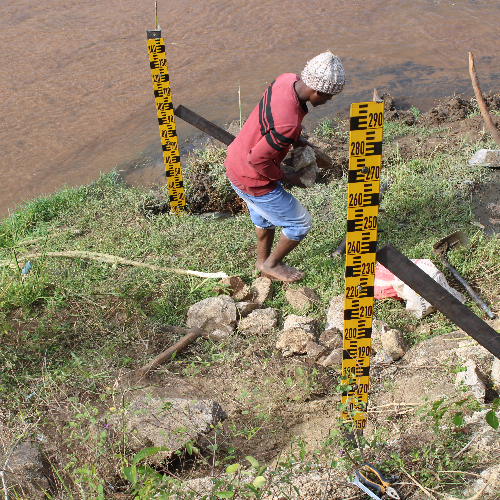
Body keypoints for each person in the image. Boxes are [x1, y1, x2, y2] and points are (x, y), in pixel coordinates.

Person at [224, 52, 345, 282]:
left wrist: (297, 139)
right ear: (317, 92)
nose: (329, 101)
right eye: (329, 97)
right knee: (300, 223)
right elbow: (257, 160)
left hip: (234, 164)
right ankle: (273, 264)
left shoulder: (285, 80)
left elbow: (272, 118)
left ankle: (262, 262)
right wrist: (289, 177)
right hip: (253, 179)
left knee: (265, 217)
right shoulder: (287, 124)